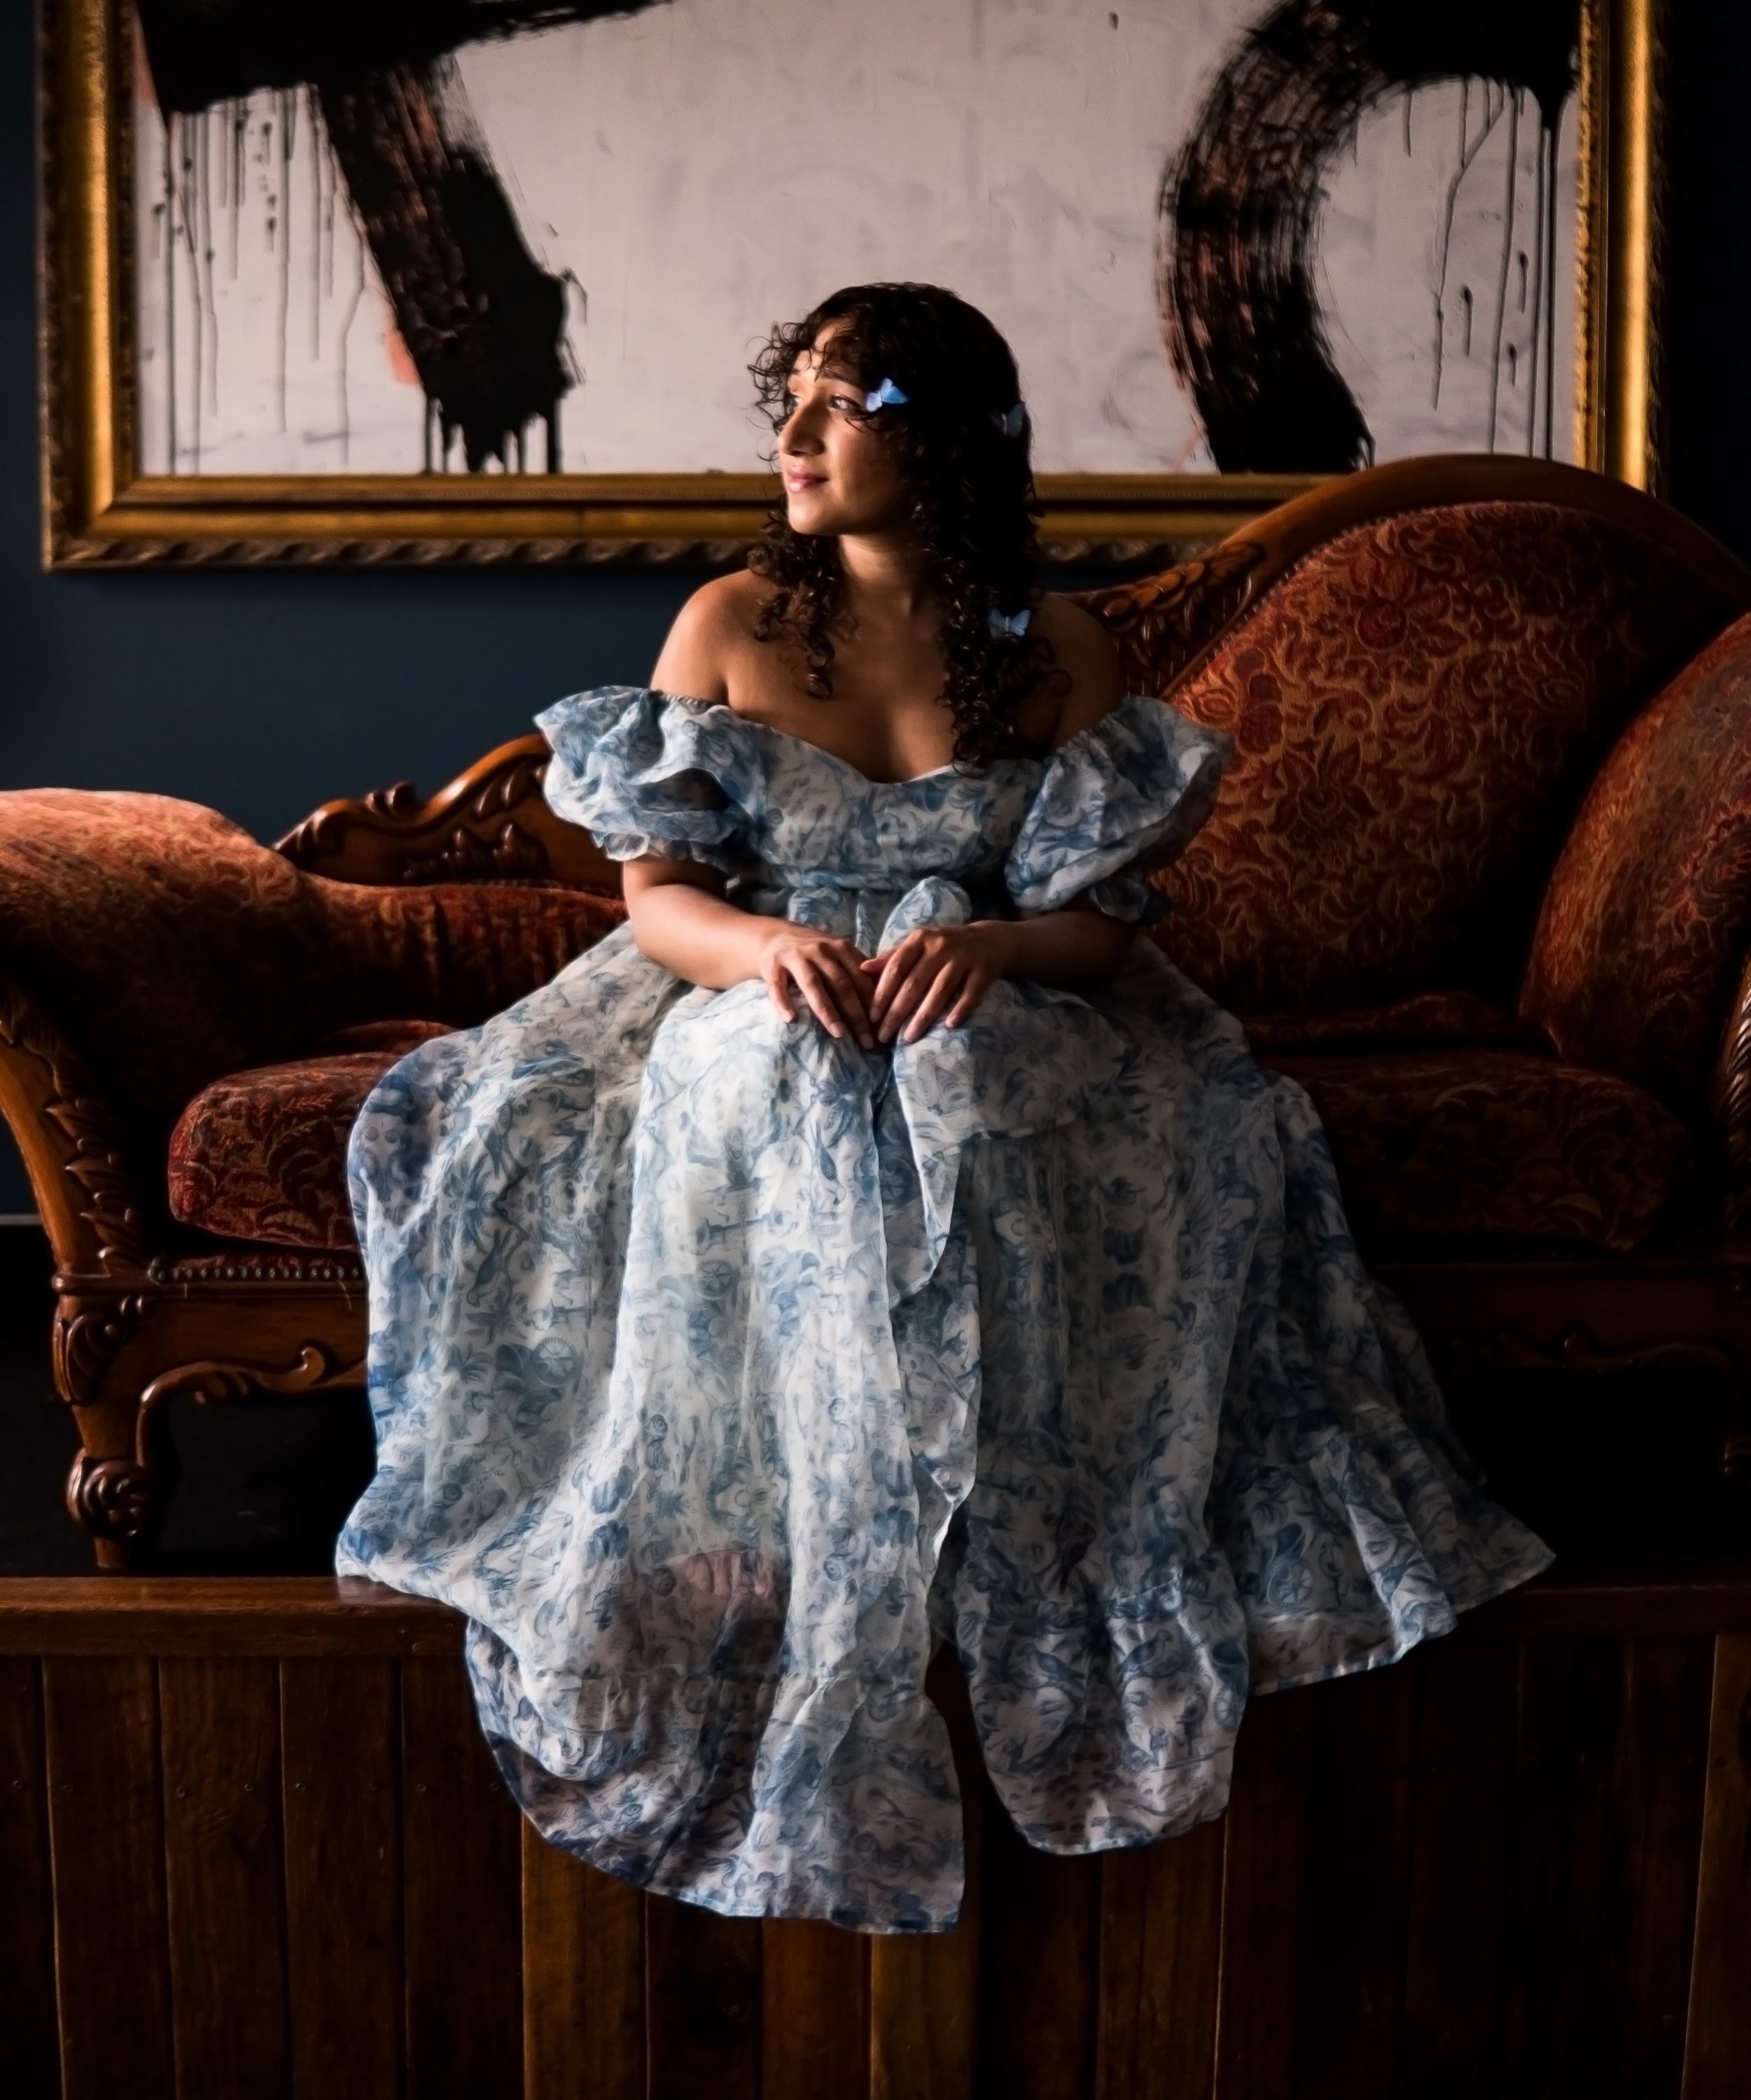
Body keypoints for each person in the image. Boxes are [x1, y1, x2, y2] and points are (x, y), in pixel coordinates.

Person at [339, 283, 1549, 1933]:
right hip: (745, 988)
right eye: (793, 400)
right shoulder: (729, 623)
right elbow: (660, 901)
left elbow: (1096, 933)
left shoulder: (1054, 650)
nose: (792, 438)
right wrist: (772, 951)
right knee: (798, 1077)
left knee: (1030, 1092)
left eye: (840, 407)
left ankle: (1011, 1536)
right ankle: (804, 1552)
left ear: (948, 440)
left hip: (992, 992)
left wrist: (986, 946)